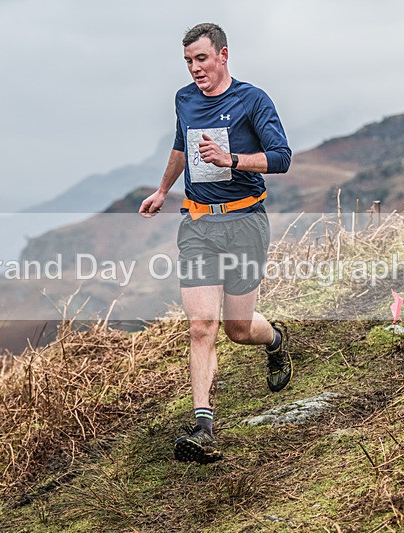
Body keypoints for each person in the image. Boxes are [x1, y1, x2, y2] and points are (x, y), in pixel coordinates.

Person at [139, 22, 292, 464]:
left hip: (245, 222)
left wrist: (232, 160)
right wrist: (163, 190)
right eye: (188, 61)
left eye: (202, 58)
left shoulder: (253, 100)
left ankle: (275, 339)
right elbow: (180, 147)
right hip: (198, 224)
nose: (194, 68)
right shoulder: (184, 99)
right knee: (201, 325)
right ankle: (204, 428)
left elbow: (281, 157)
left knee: (237, 329)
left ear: (223, 55)